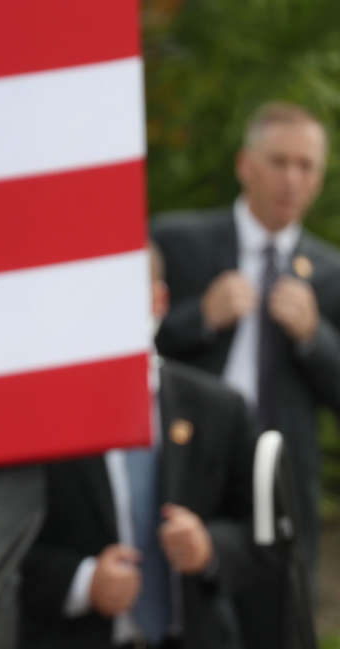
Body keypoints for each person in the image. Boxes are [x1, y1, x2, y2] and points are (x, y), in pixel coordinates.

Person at [152, 101, 340, 646]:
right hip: (188, 463)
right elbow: (130, 347)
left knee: (277, 622)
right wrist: (198, 319)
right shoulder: (179, 244)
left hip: (277, 475)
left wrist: (314, 338)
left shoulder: (330, 273)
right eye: (279, 161)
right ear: (245, 165)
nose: (291, 179)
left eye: (306, 167)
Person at [19, 245, 257, 648]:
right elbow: (4, 553)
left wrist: (209, 547)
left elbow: (263, 535)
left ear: (158, 300)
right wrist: (82, 582)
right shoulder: (37, 419)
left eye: (123, 295)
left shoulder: (218, 408)